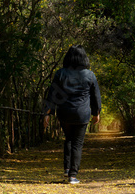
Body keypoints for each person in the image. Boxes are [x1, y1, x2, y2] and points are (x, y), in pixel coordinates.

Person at [43, 45, 101, 184]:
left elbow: (52, 94)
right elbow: (96, 96)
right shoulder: (90, 75)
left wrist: (47, 112)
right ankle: (73, 176)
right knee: (77, 143)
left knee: (68, 138)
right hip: (82, 114)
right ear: (84, 58)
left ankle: (67, 169)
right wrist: (96, 113)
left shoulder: (60, 73)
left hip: (64, 113)